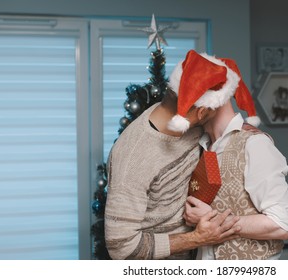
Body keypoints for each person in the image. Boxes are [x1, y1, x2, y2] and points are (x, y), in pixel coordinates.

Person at [104, 50, 245, 260]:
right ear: (202, 112)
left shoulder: (193, 126)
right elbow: (121, 247)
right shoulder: (133, 157)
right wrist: (197, 238)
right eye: (217, 108)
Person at [181, 56, 288, 260]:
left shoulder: (255, 145)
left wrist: (215, 219)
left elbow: (282, 224)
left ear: (210, 101)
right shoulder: (200, 146)